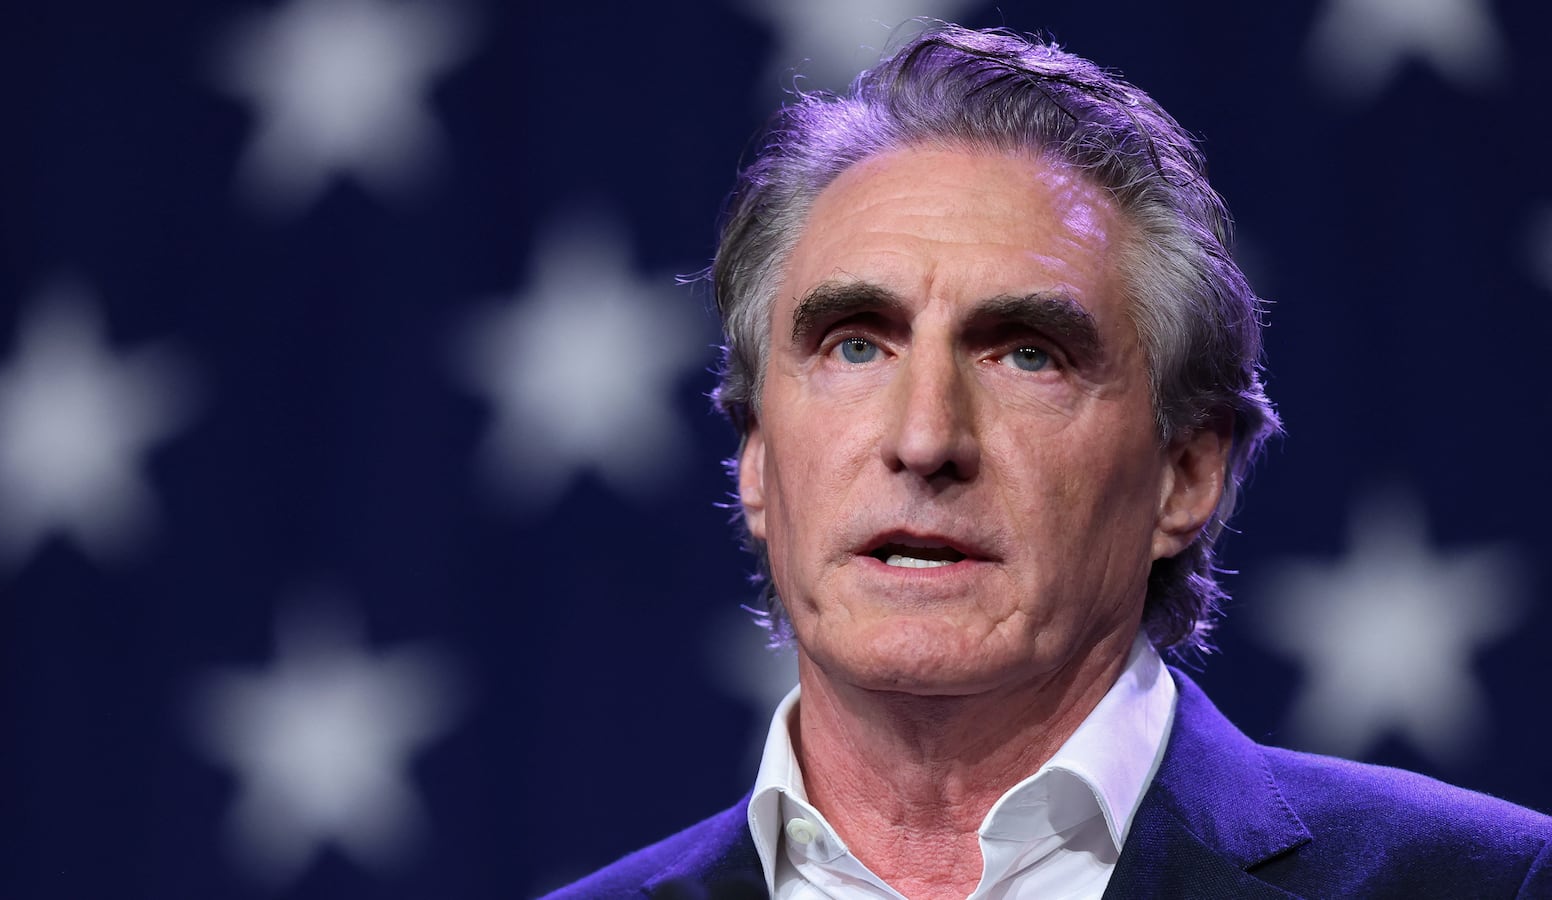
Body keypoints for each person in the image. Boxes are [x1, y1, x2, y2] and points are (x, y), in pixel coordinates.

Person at [546, 24, 1552, 899]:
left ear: (1186, 474)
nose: (926, 438)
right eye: (856, 344)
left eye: (1026, 355)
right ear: (757, 463)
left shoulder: (1485, 883)